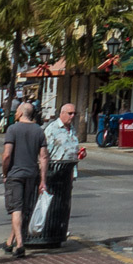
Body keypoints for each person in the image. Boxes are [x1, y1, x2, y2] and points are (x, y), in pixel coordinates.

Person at [0, 102, 49, 258]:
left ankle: (20, 244)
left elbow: (6, 155)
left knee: (16, 209)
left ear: (20, 113)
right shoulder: (39, 130)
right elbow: (44, 157)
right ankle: (9, 242)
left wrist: (4, 172)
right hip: (31, 174)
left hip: (15, 174)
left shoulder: (12, 129)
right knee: (22, 209)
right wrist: (42, 180)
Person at [33, 102, 85, 246]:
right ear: (62, 113)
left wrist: (79, 154)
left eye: (74, 113)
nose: (72, 116)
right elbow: (43, 152)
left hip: (68, 173)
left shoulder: (71, 129)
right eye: (70, 113)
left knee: (64, 202)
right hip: (54, 172)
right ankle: (48, 229)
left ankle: (61, 228)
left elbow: (71, 148)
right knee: (53, 202)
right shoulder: (52, 129)